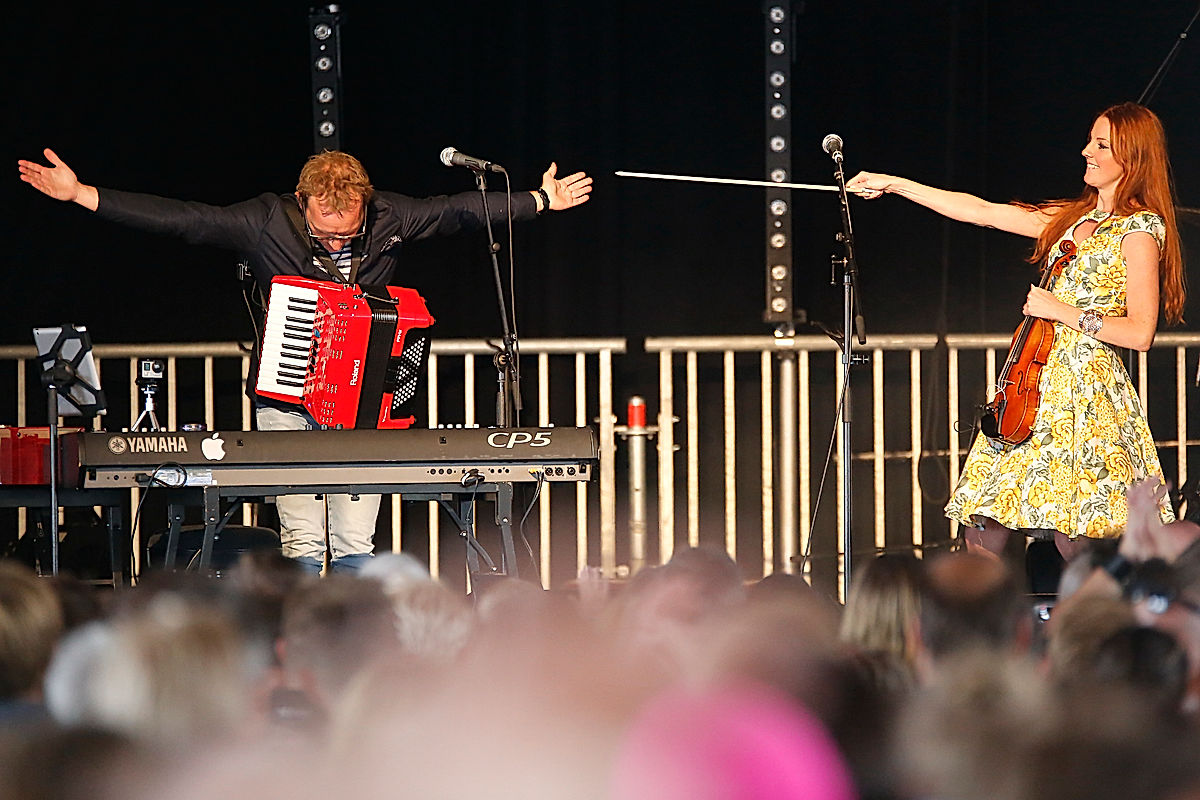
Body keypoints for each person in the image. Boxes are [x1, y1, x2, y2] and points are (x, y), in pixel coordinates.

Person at [18, 148, 593, 574]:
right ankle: (298, 636)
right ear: (302, 203)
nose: (337, 245)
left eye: (348, 235)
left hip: (363, 402)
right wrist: (83, 194)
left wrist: (542, 200)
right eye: (324, 234)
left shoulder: (390, 216)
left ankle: (350, 639)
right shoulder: (266, 220)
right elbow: (185, 219)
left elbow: (460, 210)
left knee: (351, 538)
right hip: (286, 398)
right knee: (301, 537)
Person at [847, 102, 1185, 561]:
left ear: (1132, 157)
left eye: (1101, 145)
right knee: (984, 518)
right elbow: (983, 212)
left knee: (1074, 528)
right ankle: (976, 625)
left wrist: (1061, 310)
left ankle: (1085, 624)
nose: (1086, 151)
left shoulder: (1140, 230)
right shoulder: (1071, 219)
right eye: (1091, 139)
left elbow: (1140, 333)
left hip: (1081, 391)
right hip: (1031, 383)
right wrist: (896, 185)